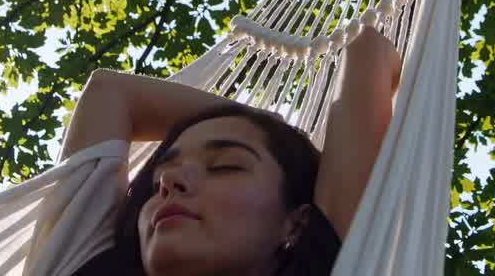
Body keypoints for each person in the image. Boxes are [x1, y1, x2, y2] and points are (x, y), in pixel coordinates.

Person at [30, 25, 402, 276]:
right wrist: (257, 117)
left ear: (297, 223)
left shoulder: (323, 263)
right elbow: (109, 92)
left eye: (225, 166)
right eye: (159, 176)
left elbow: (368, 49)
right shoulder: (80, 265)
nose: (170, 181)